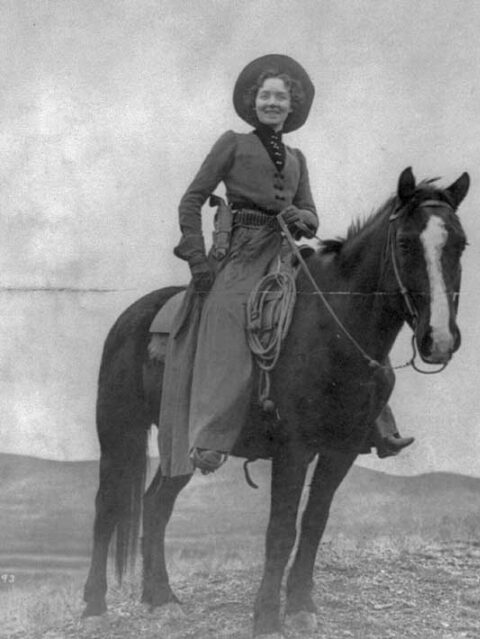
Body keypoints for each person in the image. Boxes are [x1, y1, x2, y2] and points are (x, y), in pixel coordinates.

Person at [158, 54, 413, 476]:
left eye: (280, 96)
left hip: (284, 254)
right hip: (240, 253)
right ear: (252, 100)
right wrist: (197, 256)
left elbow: (311, 216)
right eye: (265, 95)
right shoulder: (232, 143)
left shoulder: (297, 158)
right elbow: (191, 199)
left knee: (336, 311)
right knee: (228, 314)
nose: (272, 102)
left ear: (291, 106)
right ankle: (211, 437)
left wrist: (303, 220)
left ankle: (375, 423)